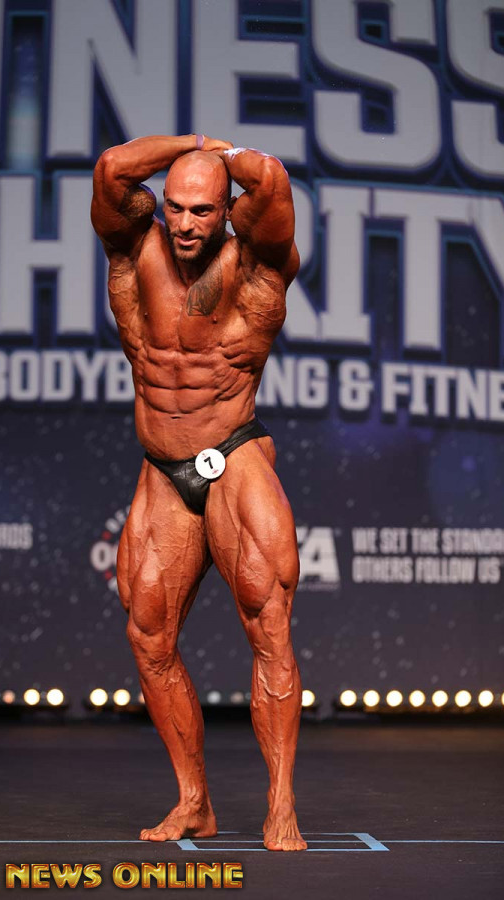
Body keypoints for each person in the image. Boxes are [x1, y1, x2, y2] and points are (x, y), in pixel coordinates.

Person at [91, 134, 306, 852]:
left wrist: (221, 153)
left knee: (269, 628)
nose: (185, 223)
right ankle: (194, 802)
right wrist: (190, 146)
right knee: (148, 637)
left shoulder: (259, 262)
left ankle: (280, 804)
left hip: (233, 453)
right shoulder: (133, 249)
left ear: (227, 211)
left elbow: (271, 179)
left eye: (203, 210)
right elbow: (111, 170)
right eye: (176, 208)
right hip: (162, 467)